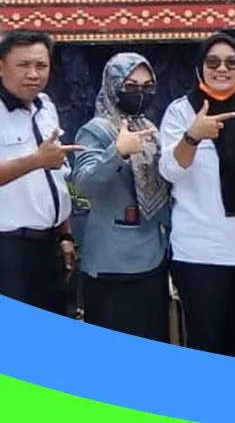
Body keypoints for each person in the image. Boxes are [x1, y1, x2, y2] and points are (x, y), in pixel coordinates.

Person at [158, 32, 235, 357]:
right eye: (212, 62)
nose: (221, 69)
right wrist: (193, 137)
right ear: (200, 68)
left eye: (230, 62)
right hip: (198, 253)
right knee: (205, 346)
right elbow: (169, 170)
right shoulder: (181, 111)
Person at [72, 53, 170, 341]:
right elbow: (85, 184)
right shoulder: (95, 130)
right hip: (112, 265)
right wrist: (118, 151)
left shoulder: (148, 128)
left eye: (147, 86)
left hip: (152, 260)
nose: (140, 93)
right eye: (131, 86)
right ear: (113, 85)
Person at [0, 30, 81, 313]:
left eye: (41, 65)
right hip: (9, 249)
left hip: (49, 247)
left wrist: (65, 235)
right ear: (1, 66)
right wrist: (35, 160)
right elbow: (43, 162)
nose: (33, 74)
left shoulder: (46, 106)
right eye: (23, 65)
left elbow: (55, 176)